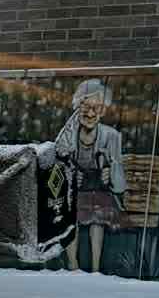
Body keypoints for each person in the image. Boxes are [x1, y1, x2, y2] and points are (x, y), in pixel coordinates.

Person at [54, 78, 126, 272]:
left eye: (98, 108)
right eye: (86, 107)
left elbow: (120, 186)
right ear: (78, 107)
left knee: (98, 215)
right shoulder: (69, 133)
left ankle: (95, 268)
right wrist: (70, 175)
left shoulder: (111, 136)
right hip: (75, 191)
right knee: (69, 212)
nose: (91, 113)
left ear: (103, 110)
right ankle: (73, 265)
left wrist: (110, 173)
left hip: (98, 191)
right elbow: (57, 161)